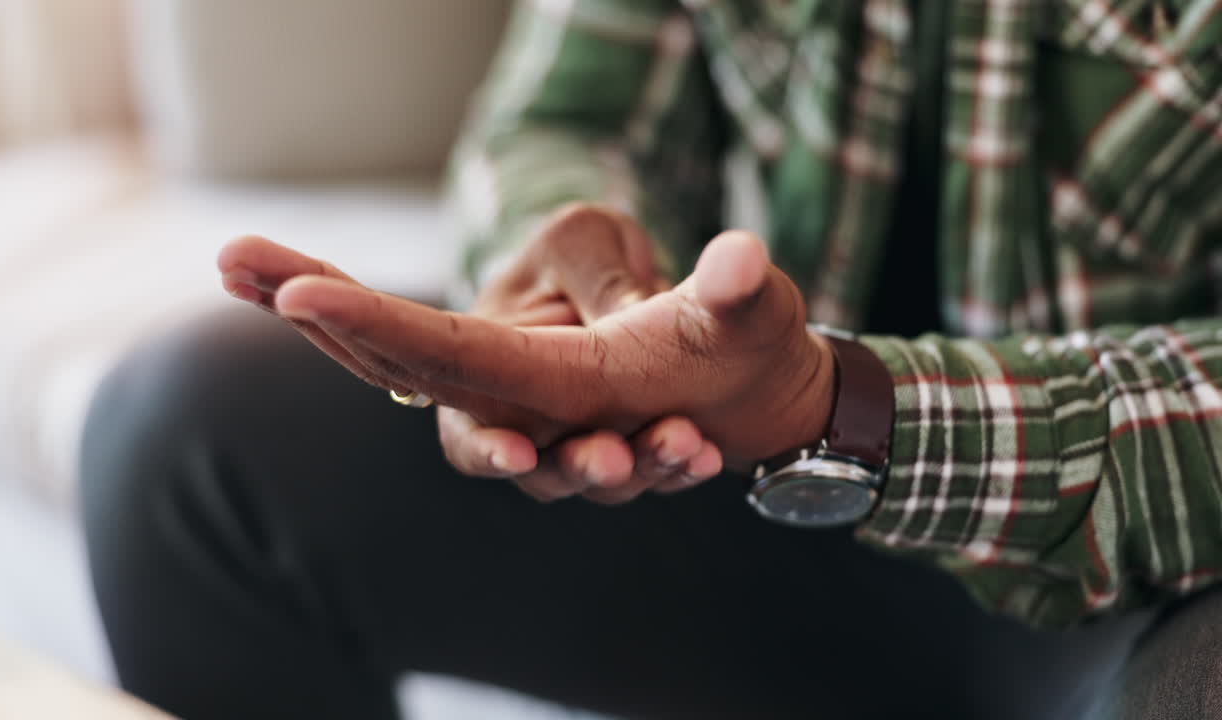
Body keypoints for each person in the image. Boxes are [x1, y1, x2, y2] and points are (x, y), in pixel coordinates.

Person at [81, 1, 1222, 718]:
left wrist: (841, 409)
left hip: (1147, 571)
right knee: (189, 439)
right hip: (760, 482)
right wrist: (573, 301)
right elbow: (567, 116)